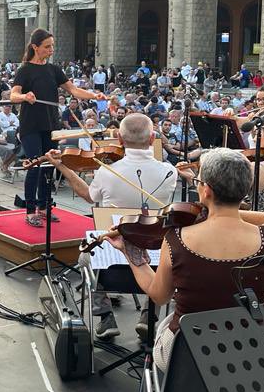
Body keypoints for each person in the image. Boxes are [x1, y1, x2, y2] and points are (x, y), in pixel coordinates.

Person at [108, 149, 264, 392]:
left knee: (172, 321)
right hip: (249, 353)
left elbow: (158, 295)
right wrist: (225, 210)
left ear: (205, 189)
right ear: (245, 189)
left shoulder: (178, 239)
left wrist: (134, 256)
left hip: (188, 354)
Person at [47, 113, 179, 339]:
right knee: (166, 256)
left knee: (84, 257)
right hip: (154, 259)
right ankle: (149, 315)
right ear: (153, 138)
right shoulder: (170, 172)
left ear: (118, 138)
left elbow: (88, 195)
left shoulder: (106, 172)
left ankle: (106, 317)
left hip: (112, 260)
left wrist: (62, 167)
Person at [9, 28, 104, 227]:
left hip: (50, 124)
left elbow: (73, 90)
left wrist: (94, 95)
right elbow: (13, 95)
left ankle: (44, 208)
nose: (51, 50)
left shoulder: (53, 70)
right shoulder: (24, 70)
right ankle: (30, 210)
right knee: (35, 166)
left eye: (52, 46)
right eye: (47, 46)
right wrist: (25, 97)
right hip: (30, 125)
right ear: (35, 47)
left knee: (49, 166)